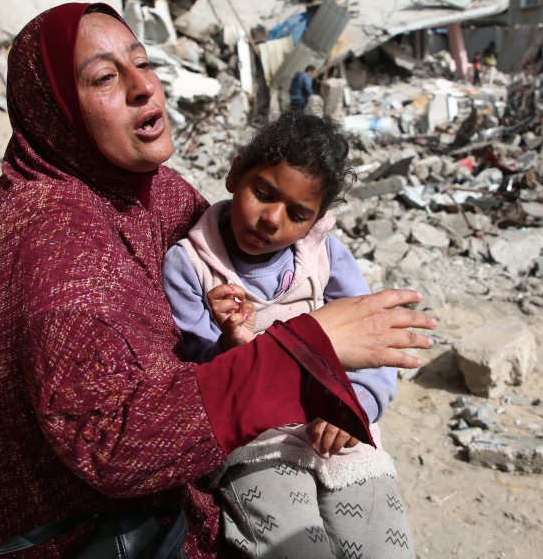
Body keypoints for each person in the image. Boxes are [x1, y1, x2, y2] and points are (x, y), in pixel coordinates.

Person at [0, 2, 436, 559]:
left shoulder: (140, 187)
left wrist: (352, 388)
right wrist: (303, 349)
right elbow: (114, 447)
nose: (143, 87)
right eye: (105, 78)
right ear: (53, 107)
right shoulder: (57, 249)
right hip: (76, 530)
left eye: (142, 63)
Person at [164, 111, 411, 558]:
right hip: (256, 444)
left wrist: (356, 405)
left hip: (339, 434)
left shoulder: (325, 257)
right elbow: (193, 378)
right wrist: (230, 343)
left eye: (297, 214)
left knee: (382, 546)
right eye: (263, 193)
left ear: (316, 220)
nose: (272, 219)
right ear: (235, 174)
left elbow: (374, 341)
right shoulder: (191, 265)